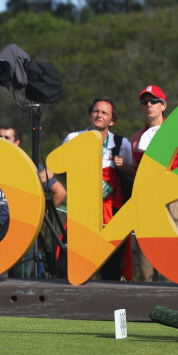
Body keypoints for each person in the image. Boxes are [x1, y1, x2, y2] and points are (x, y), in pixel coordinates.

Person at [130, 84, 178, 282]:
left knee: (176, 269)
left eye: (154, 101)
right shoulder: (136, 139)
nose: (149, 105)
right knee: (146, 272)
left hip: (174, 201)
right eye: (144, 102)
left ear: (163, 106)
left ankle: (177, 312)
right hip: (148, 204)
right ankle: (146, 312)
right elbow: (139, 174)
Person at [0, 125, 66, 277]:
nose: (2, 140)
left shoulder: (28, 165)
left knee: (19, 284)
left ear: (17, 142)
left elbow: (59, 192)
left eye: (7, 138)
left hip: (22, 236)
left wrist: (38, 216)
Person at [62, 98, 134, 280]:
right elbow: (59, 166)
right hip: (82, 212)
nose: (99, 115)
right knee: (75, 262)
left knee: (111, 266)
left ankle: (111, 305)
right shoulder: (73, 138)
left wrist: (124, 166)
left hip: (111, 213)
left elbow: (133, 175)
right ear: (89, 115)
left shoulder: (121, 143)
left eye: (104, 113)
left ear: (112, 121)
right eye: (96, 111)